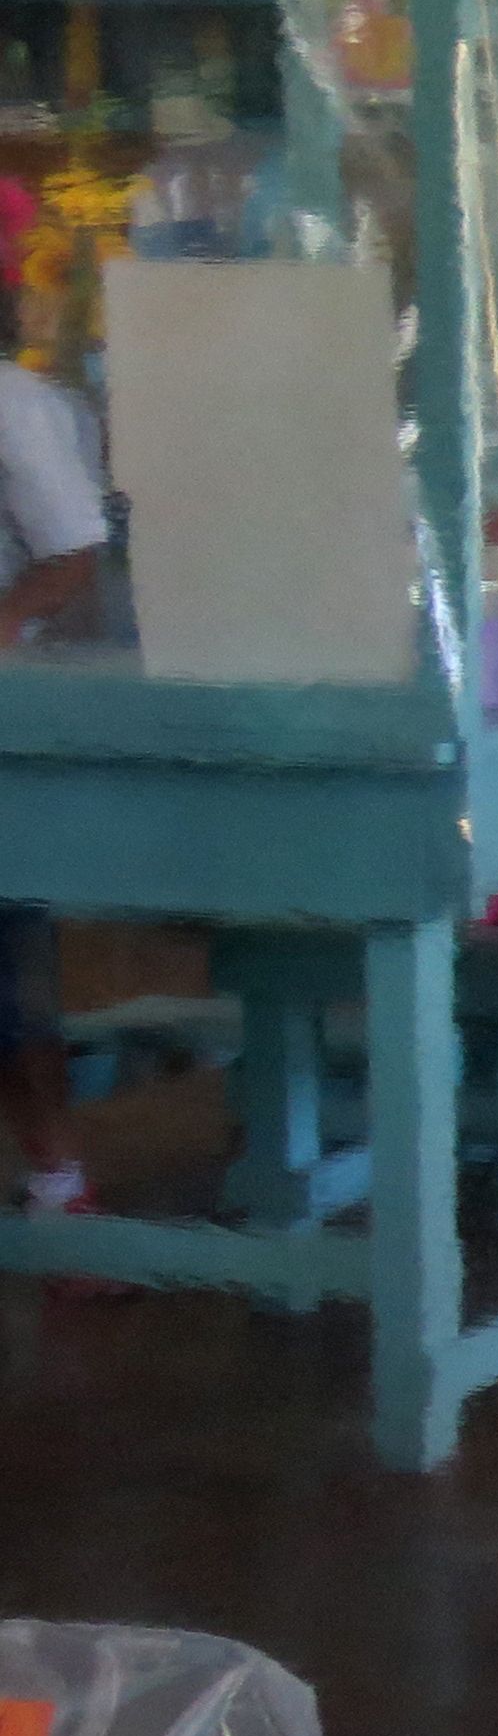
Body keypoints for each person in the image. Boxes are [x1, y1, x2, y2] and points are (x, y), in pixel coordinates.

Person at [0, 339, 107, 1218]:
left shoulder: (14, 403)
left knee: (9, 966)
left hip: (13, 713)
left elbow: (72, 552)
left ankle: (61, 1180)